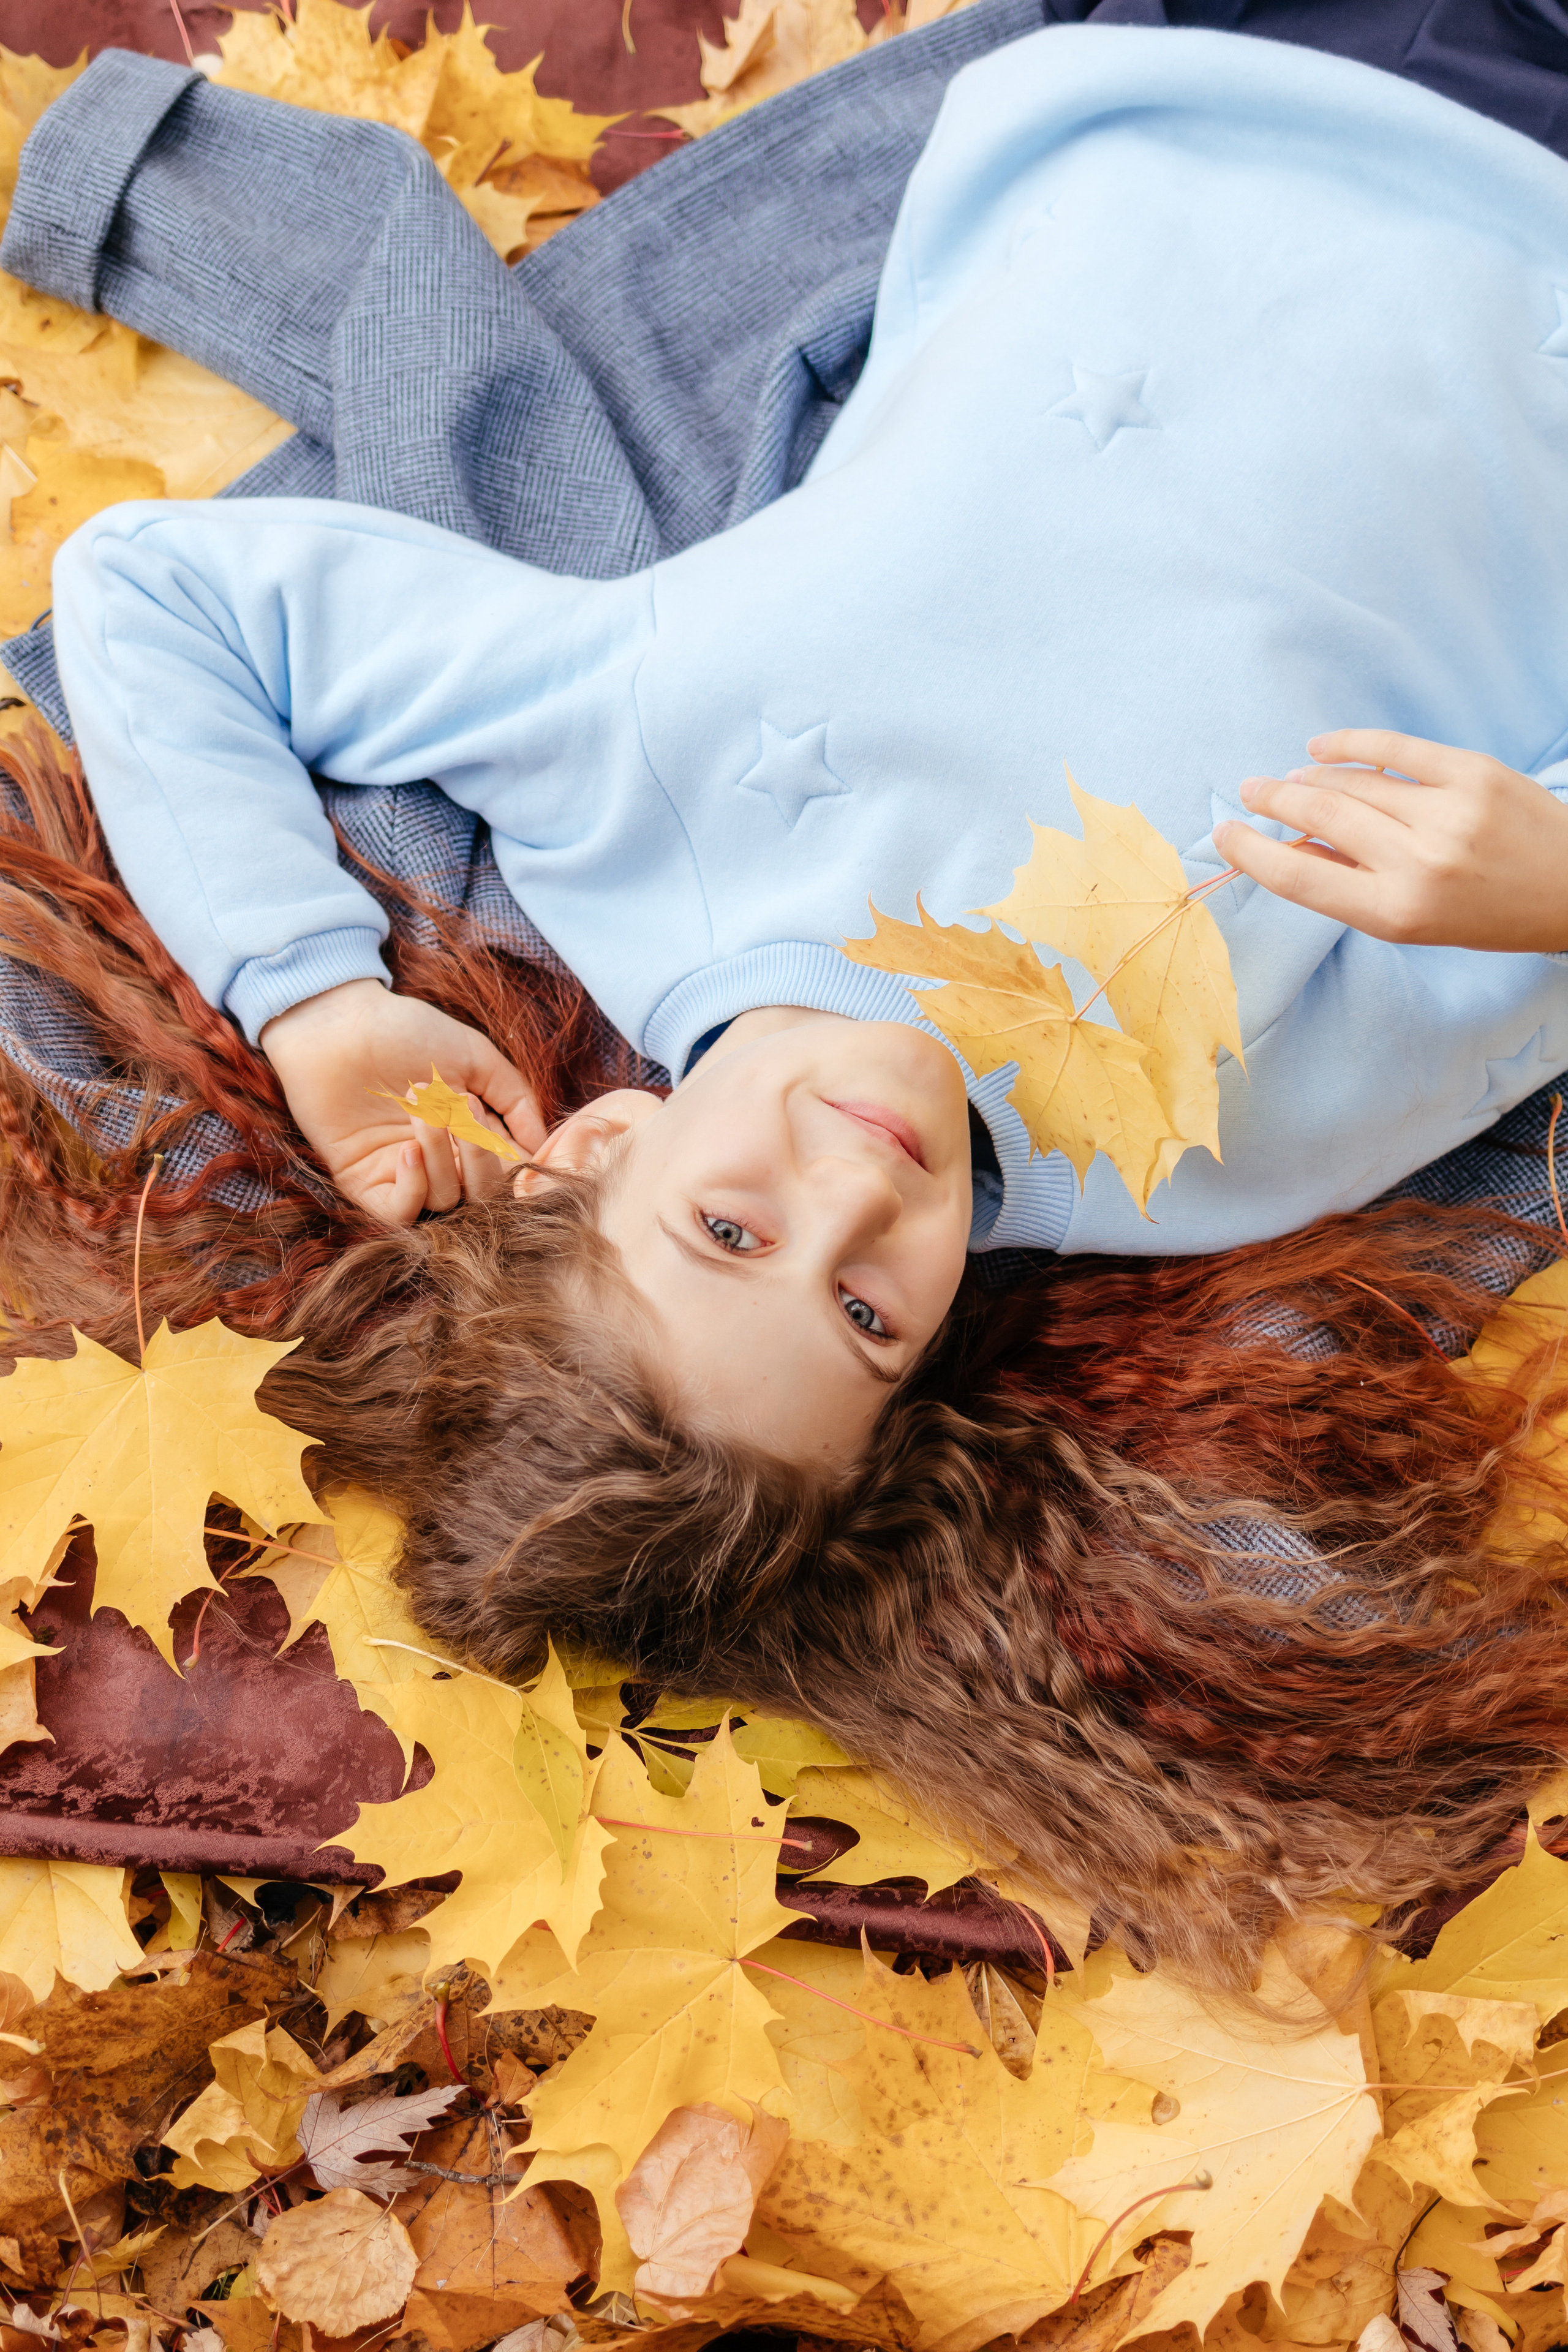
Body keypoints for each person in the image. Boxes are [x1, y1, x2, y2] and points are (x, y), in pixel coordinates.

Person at [9, 17, 1568, 1983]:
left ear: (597, 1140)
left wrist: (309, 993)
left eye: (726, 1228)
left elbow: (163, 589)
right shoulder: (1225, 1139)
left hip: (1253, 83)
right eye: (861, 1311)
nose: (856, 1194)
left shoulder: (626, 782)